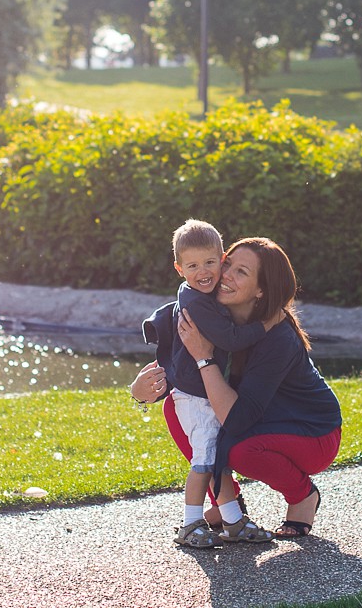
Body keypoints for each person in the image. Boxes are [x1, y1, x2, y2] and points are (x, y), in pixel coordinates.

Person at [132, 237, 341, 539]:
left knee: (244, 452)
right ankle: (230, 504)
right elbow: (181, 376)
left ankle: (302, 496)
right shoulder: (207, 311)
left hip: (311, 432)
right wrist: (139, 392)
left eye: (241, 272)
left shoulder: (277, 337)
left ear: (261, 290)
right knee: (177, 407)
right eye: (227, 263)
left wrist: (204, 356)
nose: (225, 274)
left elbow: (237, 419)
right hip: (258, 420)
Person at [140, 220, 272, 548]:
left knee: (217, 459)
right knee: (204, 462)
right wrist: (265, 326)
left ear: (222, 258)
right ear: (179, 268)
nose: (204, 272)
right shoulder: (196, 301)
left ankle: (233, 522)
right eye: (193, 266)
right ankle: (190, 524)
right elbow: (229, 337)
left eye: (210, 263)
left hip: (204, 391)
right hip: (194, 395)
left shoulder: (203, 292)